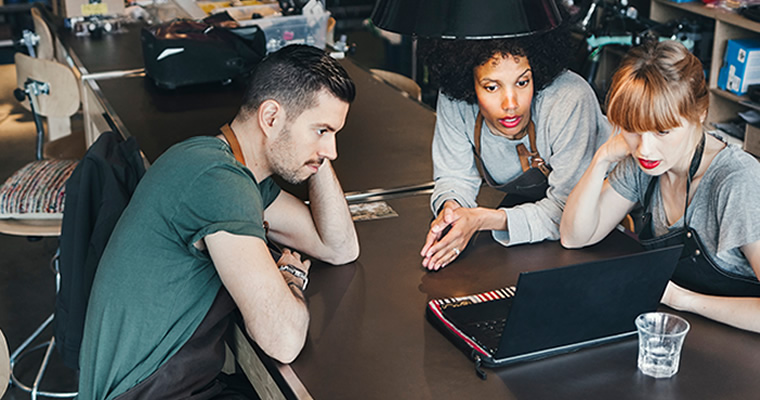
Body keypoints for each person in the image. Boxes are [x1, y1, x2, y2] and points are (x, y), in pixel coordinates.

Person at [77, 45, 360, 399]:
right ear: (271, 117)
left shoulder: (220, 163)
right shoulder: (218, 183)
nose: (332, 149)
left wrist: (316, 155)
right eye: (322, 130)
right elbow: (283, 340)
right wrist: (292, 278)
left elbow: (338, 247)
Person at [560, 40, 760, 333]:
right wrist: (602, 158)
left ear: (699, 113)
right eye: (631, 128)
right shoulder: (647, 161)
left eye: (662, 130)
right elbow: (575, 237)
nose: (645, 149)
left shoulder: (736, 181)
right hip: (682, 330)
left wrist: (682, 300)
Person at [419, 26, 610, 270]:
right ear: (468, 84)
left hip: (597, 227)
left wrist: (483, 220)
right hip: (535, 237)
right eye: (491, 87)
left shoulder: (569, 100)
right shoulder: (455, 100)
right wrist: (451, 211)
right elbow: (454, 177)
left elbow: (567, 211)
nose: (511, 104)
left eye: (522, 82)